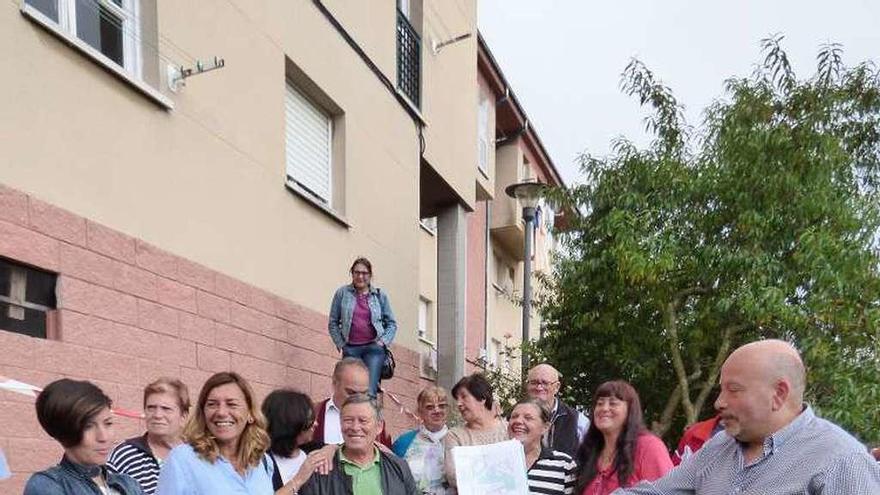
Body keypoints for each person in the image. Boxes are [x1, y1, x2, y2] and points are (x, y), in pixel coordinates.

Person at [616, 339, 880, 494]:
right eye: (721, 390)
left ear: (778, 394)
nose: (719, 402)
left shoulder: (841, 462)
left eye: (734, 390)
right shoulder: (719, 448)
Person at [156, 372, 315, 495]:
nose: (221, 412)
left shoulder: (262, 462)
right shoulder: (183, 460)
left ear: (250, 414)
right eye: (212, 404)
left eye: (232, 404)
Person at [24, 378, 143, 494]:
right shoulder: (48, 485)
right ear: (63, 432)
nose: (103, 437)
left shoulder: (129, 484)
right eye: (88, 426)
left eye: (108, 423)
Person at [299, 393, 418, 495]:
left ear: (379, 427)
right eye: (348, 420)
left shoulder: (399, 467)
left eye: (363, 421)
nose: (355, 427)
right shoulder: (320, 467)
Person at [574, 380, 672, 495]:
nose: (604, 409)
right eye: (600, 403)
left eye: (613, 403)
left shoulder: (648, 447)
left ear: (630, 410)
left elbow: (667, 491)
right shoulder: (589, 450)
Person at [328, 257, 398, 397]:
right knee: (350, 391)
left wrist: (382, 342)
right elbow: (333, 322)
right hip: (351, 350)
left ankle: (369, 418)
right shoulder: (342, 293)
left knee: (369, 392)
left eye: (364, 273)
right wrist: (341, 344)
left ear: (370, 275)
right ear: (352, 274)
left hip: (373, 349)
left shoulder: (379, 296)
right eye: (356, 272)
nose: (360, 276)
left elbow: (391, 323)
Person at [108, 377, 191, 495]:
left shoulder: (199, 457)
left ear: (183, 416)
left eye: (166, 409)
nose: (157, 415)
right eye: (151, 408)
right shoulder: (125, 455)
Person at [443, 373, 509, 492]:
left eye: (464, 397)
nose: (459, 403)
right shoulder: (455, 436)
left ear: (482, 398)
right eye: (457, 399)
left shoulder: (508, 429)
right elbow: (454, 476)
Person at [308, 358, 392, 451]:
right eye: (351, 393)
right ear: (334, 384)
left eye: (364, 393)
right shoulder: (311, 414)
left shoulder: (377, 423)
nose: (357, 399)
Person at [509, 399, 577, 495]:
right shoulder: (492, 461)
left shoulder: (564, 465)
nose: (518, 421)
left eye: (528, 418)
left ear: (545, 427)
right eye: (514, 416)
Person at [392, 385, 450, 494]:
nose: (437, 410)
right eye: (430, 407)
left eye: (442, 406)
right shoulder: (403, 443)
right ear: (420, 411)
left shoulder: (458, 442)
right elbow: (392, 480)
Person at [526, 363, 590, 458]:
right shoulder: (514, 419)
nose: (539, 387)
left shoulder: (578, 421)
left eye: (544, 383)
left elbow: (591, 457)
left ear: (557, 387)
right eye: (534, 382)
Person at [261, 388, 319, 491]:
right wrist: (299, 479)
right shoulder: (261, 462)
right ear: (292, 423)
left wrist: (330, 449)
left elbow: (341, 447)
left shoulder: (313, 451)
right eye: (310, 420)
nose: (315, 424)